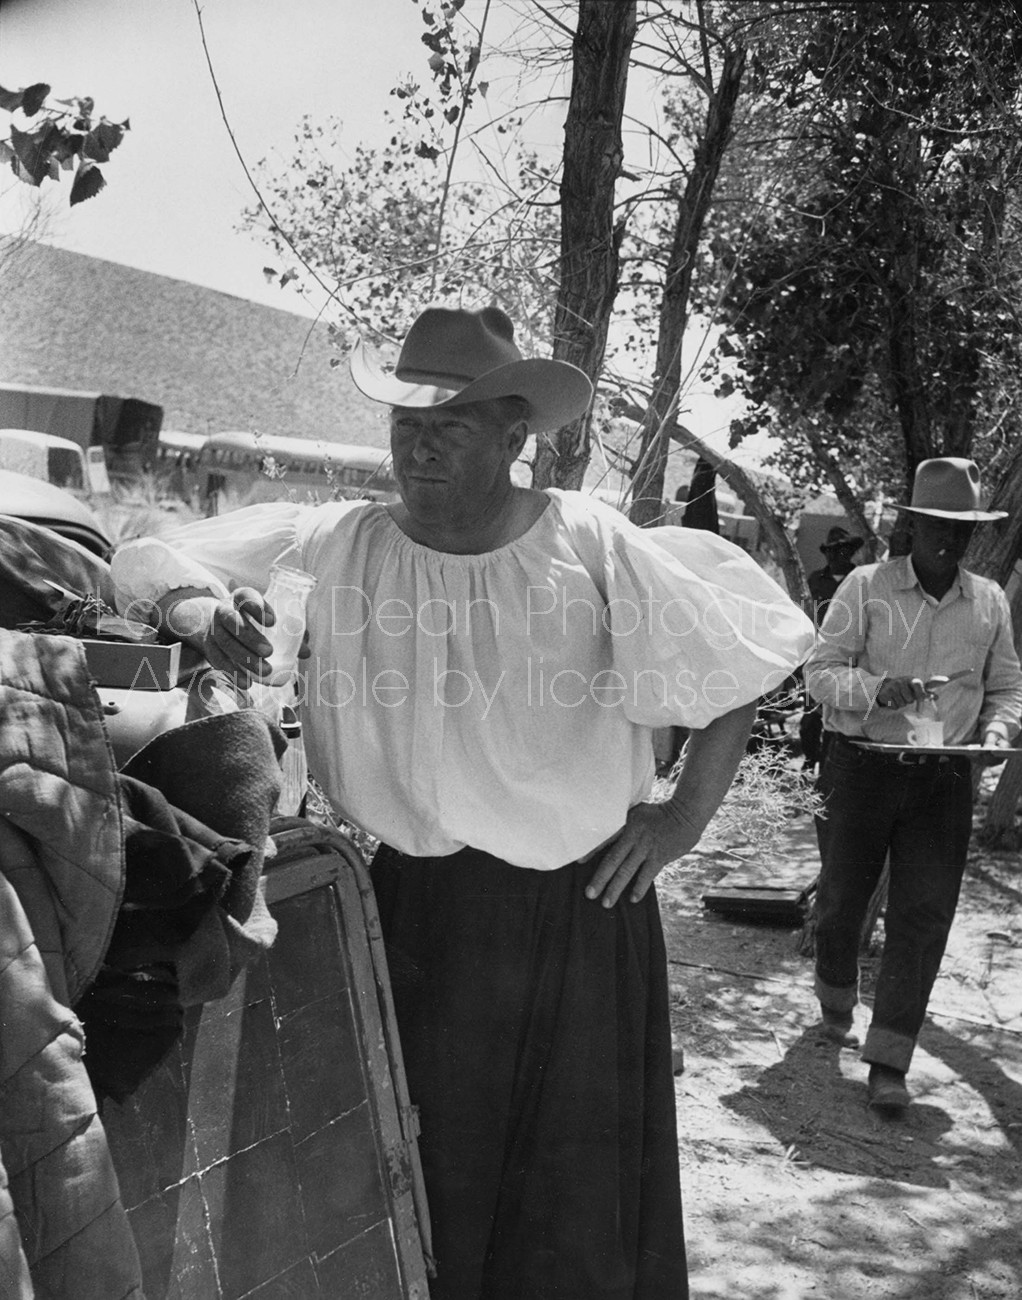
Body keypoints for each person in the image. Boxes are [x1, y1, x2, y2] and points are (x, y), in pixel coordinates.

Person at [110, 305, 814, 1299]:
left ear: (513, 437)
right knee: (411, 1194)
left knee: (569, 1218)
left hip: (579, 919)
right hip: (407, 917)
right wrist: (199, 610)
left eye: (449, 427)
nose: (419, 448)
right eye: (406, 425)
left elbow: (739, 656)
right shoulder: (340, 542)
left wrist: (681, 817)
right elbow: (139, 557)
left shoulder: (590, 544)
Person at [804, 457, 1022, 1114]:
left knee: (923, 917)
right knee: (841, 906)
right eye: (937, 526)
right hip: (862, 768)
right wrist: (880, 690)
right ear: (913, 523)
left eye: (961, 530)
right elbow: (819, 674)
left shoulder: (986, 603)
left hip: (943, 779)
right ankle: (836, 997)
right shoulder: (866, 588)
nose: (948, 540)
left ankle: (889, 1059)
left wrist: (999, 728)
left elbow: (1007, 686)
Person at [800, 525, 863, 771]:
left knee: (837, 716)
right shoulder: (816, 580)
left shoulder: (861, 580)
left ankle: (827, 764)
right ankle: (809, 759)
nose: (839, 555)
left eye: (844, 550)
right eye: (833, 551)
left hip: (849, 655)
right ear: (826, 553)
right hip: (818, 654)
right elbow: (804, 613)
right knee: (810, 717)